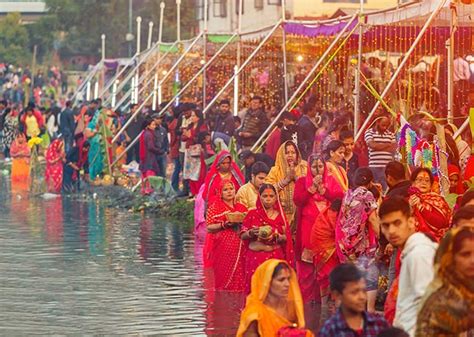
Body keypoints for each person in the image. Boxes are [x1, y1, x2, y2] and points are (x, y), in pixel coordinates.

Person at [379, 197, 437, 336]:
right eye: (386, 225)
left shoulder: (419, 254)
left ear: (411, 222)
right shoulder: (411, 252)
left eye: (397, 223)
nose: (391, 231)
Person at [336, 167, 381, 313]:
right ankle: (370, 311)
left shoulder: (347, 195)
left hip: (346, 243)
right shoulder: (366, 194)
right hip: (361, 244)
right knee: (370, 278)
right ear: (370, 182)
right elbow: (373, 219)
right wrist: (382, 238)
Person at [415, 227, 474, 337]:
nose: (472, 260)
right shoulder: (444, 297)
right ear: (450, 258)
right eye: (465, 254)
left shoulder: (465, 287)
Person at [236, 259, 313, 337]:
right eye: (281, 280)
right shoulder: (255, 314)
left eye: (288, 279)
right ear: (267, 282)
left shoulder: (291, 307)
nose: (287, 284)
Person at [240, 184, 294, 289]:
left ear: (276, 198)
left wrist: (276, 236)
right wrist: (251, 233)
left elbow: (286, 238)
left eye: (271, 196)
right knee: (255, 290)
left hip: (274, 257)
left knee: (274, 291)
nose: (268, 199)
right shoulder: (252, 214)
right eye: (265, 196)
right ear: (259, 197)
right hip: (255, 258)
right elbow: (242, 235)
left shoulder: (280, 216)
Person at [293, 154, 329, 302]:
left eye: (320, 166)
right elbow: (298, 200)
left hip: (326, 233)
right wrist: (311, 188)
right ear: (309, 168)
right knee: (307, 271)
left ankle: (322, 304)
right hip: (307, 231)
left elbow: (339, 197)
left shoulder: (330, 181)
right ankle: (306, 304)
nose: (318, 170)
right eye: (314, 167)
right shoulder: (302, 181)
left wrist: (324, 191)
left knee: (323, 270)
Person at [318, 263, 389, 337]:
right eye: (354, 292)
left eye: (363, 291)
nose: (362, 297)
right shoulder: (330, 330)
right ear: (337, 295)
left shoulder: (379, 325)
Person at [205, 180, 248, 291]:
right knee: (223, 279)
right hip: (222, 247)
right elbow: (209, 228)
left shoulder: (241, 208)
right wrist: (224, 225)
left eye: (231, 189)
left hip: (240, 246)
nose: (229, 192)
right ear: (220, 193)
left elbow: (248, 224)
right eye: (225, 189)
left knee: (241, 275)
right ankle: (223, 297)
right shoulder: (214, 208)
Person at [265, 140, 307, 231]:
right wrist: (286, 180)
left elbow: (310, 188)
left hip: (302, 215)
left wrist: (295, 178)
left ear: (297, 154)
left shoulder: (304, 168)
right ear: (281, 155)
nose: (290, 155)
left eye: (293, 152)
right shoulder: (275, 171)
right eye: (287, 153)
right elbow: (266, 191)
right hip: (281, 216)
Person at [310, 199, 341, 321]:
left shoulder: (327, 211)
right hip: (327, 249)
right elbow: (339, 232)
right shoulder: (334, 215)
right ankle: (334, 306)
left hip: (321, 249)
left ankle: (325, 306)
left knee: (325, 277)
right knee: (332, 277)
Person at [409, 167, 452, 241]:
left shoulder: (437, 200)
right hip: (413, 242)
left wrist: (420, 207)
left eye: (427, 181)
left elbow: (440, 223)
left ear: (431, 185)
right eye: (419, 180)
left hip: (435, 242)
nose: (423, 183)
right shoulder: (407, 201)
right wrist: (409, 208)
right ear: (413, 183)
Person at [364, 115, 396, 191]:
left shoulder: (390, 134)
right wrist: (388, 145)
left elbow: (394, 148)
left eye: (387, 126)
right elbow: (372, 145)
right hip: (374, 167)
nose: (385, 127)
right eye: (383, 125)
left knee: (386, 190)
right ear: (377, 122)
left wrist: (378, 146)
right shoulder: (369, 132)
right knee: (375, 190)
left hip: (387, 168)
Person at [139, 117, 161, 194]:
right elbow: (150, 147)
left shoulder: (144, 133)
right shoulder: (149, 134)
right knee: (150, 173)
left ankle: (144, 189)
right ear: (148, 126)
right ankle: (148, 190)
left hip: (144, 157)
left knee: (144, 174)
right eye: (153, 125)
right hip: (149, 157)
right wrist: (159, 151)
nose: (155, 126)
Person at [85, 110, 104, 181]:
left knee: (99, 161)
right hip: (93, 146)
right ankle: (91, 177)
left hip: (99, 146)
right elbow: (87, 135)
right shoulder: (91, 124)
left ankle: (97, 176)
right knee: (92, 160)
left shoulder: (102, 125)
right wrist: (95, 131)